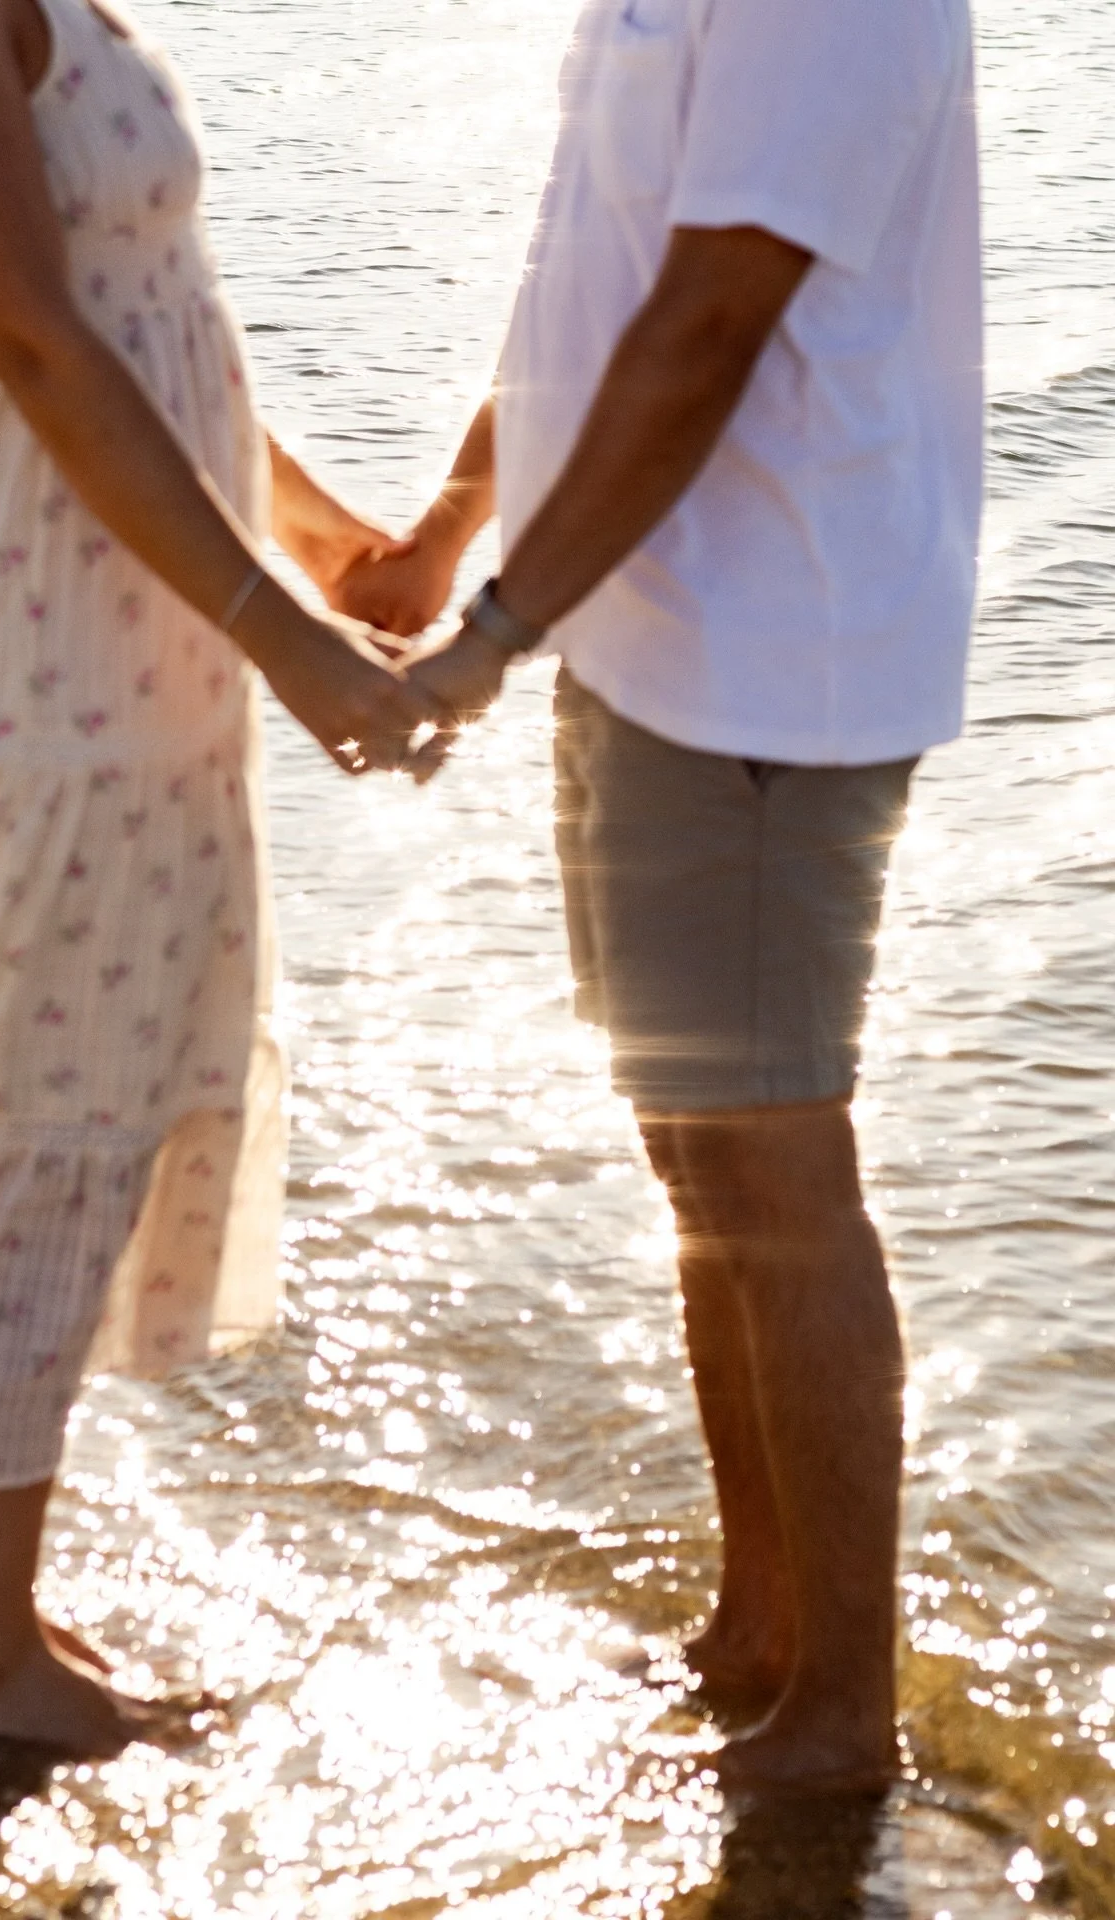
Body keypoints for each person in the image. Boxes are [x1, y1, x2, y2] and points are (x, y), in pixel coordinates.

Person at [339, 0, 982, 1794]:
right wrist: (457, 528)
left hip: (770, 648)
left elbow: (709, 318)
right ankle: (755, 1633)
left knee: (778, 1174)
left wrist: (492, 631)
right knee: (702, 1165)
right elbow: (590, 281)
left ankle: (840, 1716)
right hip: (635, 636)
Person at [0, 0, 445, 1757]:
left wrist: (316, 541)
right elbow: (32, 335)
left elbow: (152, 306)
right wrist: (286, 643)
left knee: (63, 1097)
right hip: (40, 632)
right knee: (40, 1115)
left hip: (123, 622)